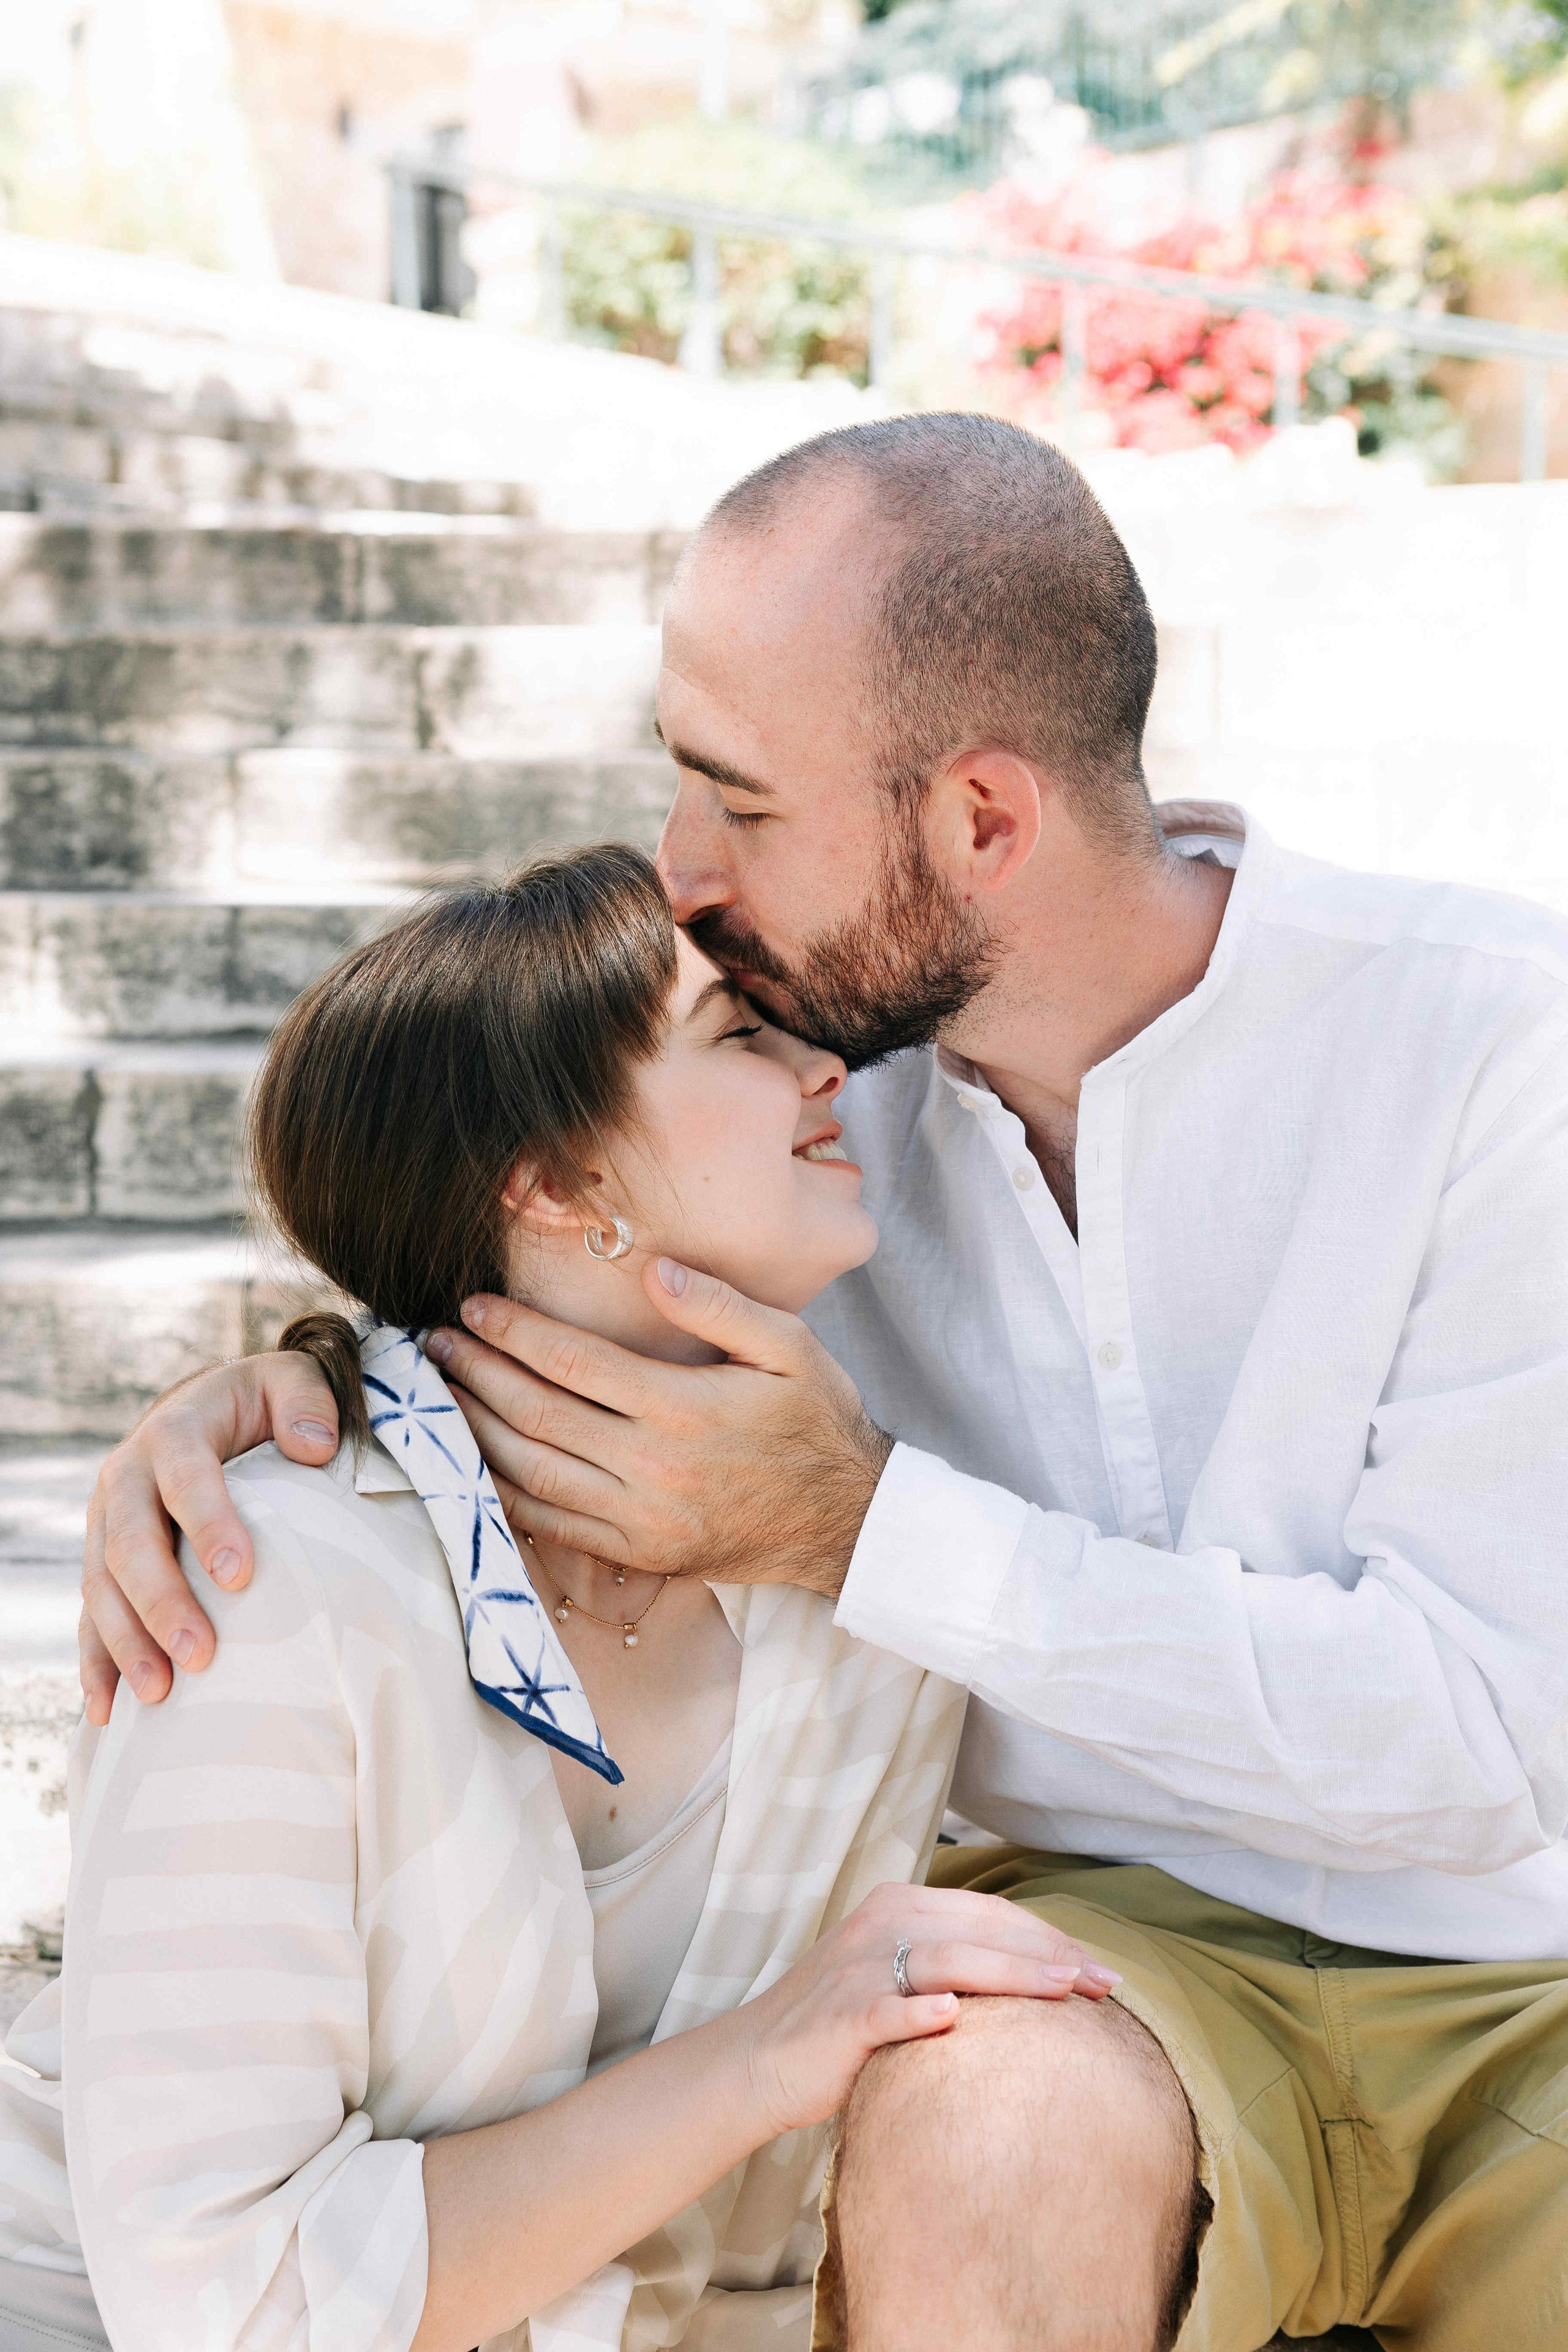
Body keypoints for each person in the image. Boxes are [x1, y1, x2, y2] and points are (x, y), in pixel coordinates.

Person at [75, 415, 1568, 2351]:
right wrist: (281, 1399)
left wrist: (872, 1530)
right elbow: (543, 1199)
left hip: (1524, 1955)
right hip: (1092, 1949)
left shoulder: (1495, 1051)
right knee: (985, 2119)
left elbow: (1487, 1744)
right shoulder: (820, 1104)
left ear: (982, 824)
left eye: (741, 802)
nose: (685, 870)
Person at [0, 843, 1118, 2352]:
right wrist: (761, 2056)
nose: (828, 1071)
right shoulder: (273, 1588)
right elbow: (230, 2300)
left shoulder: (860, 1582)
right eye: (742, 1034)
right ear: (551, 1179)